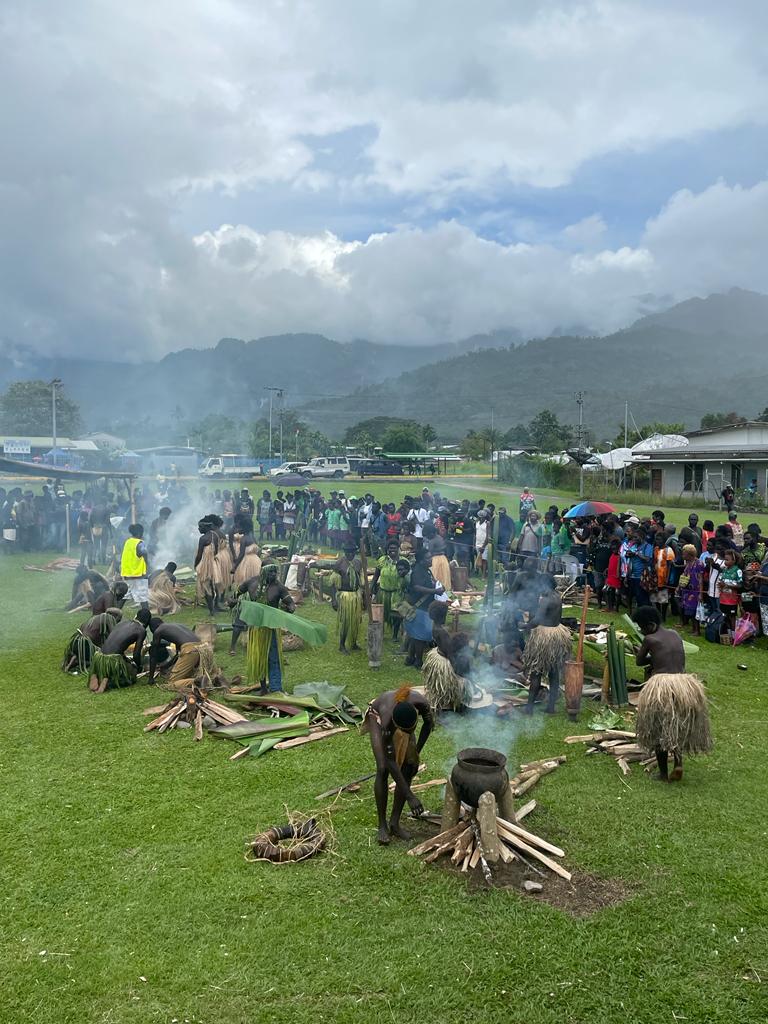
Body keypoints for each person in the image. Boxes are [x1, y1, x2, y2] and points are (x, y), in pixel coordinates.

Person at [633, 606, 712, 782]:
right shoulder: (675, 634)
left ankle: (662, 773)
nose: (641, 630)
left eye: (642, 626)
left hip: (662, 686)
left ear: (651, 625)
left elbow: (639, 662)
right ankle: (678, 763)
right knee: (676, 725)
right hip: (684, 685)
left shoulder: (649, 639)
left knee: (657, 728)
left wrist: (642, 652)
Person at [361, 685, 433, 844]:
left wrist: (416, 751)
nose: (407, 735)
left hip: (400, 716)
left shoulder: (422, 704)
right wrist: (410, 796)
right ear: (396, 723)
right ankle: (382, 825)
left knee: (410, 765)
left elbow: (428, 726)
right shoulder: (387, 722)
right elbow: (390, 761)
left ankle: (394, 823)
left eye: (411, 730)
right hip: (377, 716)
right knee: (382, 768)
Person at [522, 575, 572, 714]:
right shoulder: (557, 595)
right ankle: (551, 707)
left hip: (545, 637)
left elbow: (538, 619)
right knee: (554, 672)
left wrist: (526, 625)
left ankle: (529, 708)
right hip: (556, 634)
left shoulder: (546, 599)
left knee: (536, 671)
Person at [243, 564, 295, 692]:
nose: (273, 574)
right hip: (256, 628)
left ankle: (276, 688)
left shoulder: (278, 587)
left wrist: (290, 608)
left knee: (273, 656)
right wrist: (232, 602)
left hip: (271, 628)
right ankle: (263, 687)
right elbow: (236, 594)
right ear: (263, 571)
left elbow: (290, 603)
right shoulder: (251, 582)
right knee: (259, 657)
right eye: (270, 572)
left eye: (275, 572)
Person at [89, 608, 152, 693]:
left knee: (123, 662)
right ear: (147, 621)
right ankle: (107, 682)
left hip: (98, 657)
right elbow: (136, 654)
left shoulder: (123, 622)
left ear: (136, 616)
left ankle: (97, 674)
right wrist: (138, 666)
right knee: (131, 675)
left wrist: (124, 657)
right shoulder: (141, 630)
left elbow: (115, 643)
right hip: (112, 660)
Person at [421, 602, 466, 712]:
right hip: (443, 659)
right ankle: (447, 701)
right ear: (441, 616)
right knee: (451, 684)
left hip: (437, 653)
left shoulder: (435, 626)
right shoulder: (442, 632)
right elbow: (449, 653)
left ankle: (442, 699)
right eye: (445, 614)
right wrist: (456, 669)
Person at [403, 547, 443, 668]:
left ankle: (410, 658)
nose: (431, 559)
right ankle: (418, 661)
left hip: (425, 607)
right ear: (421, 560)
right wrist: (434, 590)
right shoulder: (417, 571)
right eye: (428, 558)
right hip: (419, 607)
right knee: (420, 636)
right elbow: (416, 587)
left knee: (416, 635)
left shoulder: (427, 570)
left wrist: (439, 587)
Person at [149, 621, 215, 688]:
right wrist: (166, 666)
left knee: (172, 682)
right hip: (203, 648)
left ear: (154, 627)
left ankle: (199, 681)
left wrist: (151, 678)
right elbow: (179, 656)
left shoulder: (158, 630)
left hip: (190, 650)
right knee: (188, 675)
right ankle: (209, 677)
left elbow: (153, 657)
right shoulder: (177, 626)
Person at [62, 608, 123, 674]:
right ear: (114, 616)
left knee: (100, 652)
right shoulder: (108, 617)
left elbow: (95, 638)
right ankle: (79, 661)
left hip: (75, 643)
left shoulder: (94, 618)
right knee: (104, 661)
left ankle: (74, 658)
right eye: (118, 619)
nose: (117, 622)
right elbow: (114, 637)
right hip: (85, 645)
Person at [328, 545, 364, 655]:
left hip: (356, 595)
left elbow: (361, 581)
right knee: (346, 621)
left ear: (355, 552)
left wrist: (363, 596)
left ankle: (353, 643)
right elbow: (332, 584)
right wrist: (334, 600)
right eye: (348, 552)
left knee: (356, 620)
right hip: (344, 596)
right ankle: (342, 645)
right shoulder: (339, 563)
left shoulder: (358, 563)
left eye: (352, 552)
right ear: (344, 552)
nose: (350, 554)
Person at [372, 541, 407, 640]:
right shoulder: (382, 560)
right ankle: (380, 633)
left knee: (397, 615)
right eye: (390, 548)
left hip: (397, 593)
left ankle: (395, 635)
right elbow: (376, 575)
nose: (392, 550)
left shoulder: (403, 561)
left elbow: (407, 577)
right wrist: (372, 588)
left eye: (394, 548)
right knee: (381, 614)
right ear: (387, 549)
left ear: (398, 548)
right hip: (383, 592)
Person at [194, 517, 223, 616]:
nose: (199, 529)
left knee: (206, 586)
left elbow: (199, 555)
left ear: (206, 527)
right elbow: (216, 550)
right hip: (215, 563)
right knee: (215, 585)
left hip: (206, 565)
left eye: (200, 527)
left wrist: (196, 565)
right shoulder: (215, 535)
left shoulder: (203, 539)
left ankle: (212, 610)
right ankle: (216, 606)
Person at [120, 524, 150, 610]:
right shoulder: (140, 543)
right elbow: (144, 553)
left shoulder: (128, 542)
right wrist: (147, 565)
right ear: (140, 532)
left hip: (127, 573)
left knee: (126, 595)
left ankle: (114, 613)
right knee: (143, 597)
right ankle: (146, 616)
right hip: (138, 574)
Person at [676, 545, 704, 635]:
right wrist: (678, 586)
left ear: (690, 554)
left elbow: (700, 579)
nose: (683, 556)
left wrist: (700, 593)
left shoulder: (699, 564)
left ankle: (697, 630)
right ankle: (693, 629)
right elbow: (683, 575)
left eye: (684, 554)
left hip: (695, 591)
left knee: (695, 611)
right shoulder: (688, 563)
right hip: (687, 590)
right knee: (690, 611)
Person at [230, 514, 262, 588]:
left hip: (247, 562)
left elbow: (241, 555)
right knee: (254, 578)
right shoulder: (253, 537)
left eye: (240, 528)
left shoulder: (244, 539)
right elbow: (259, 550)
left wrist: (235, 566)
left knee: (245, 578)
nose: (238, 530)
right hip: (256, 561)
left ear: (244, 528)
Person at [650, 531, 675, 621]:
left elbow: (670, 565)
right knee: (656, 596)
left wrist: (667, 578)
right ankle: (658, 614)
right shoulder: (656, 549)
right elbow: (654, 561)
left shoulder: (669, 550)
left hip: (664, 576)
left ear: (664, 540)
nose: (657, 541)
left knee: (663, 598)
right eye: (656, 539)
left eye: (659, 540)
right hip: (656, 576)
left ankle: (663, 616)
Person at [717, 548, 743, 635]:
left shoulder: (737, 571)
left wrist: (728, 585)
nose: (725, 561)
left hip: (732, 600)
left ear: (733, 560)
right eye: (724, 559)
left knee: (732, 617)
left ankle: (733, 635)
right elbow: (721, 582)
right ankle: (727, 634)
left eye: (727, 560)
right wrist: (720, 585)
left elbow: (740, 585)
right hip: (723, 598)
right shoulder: (724, 570)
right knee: (725, 617)